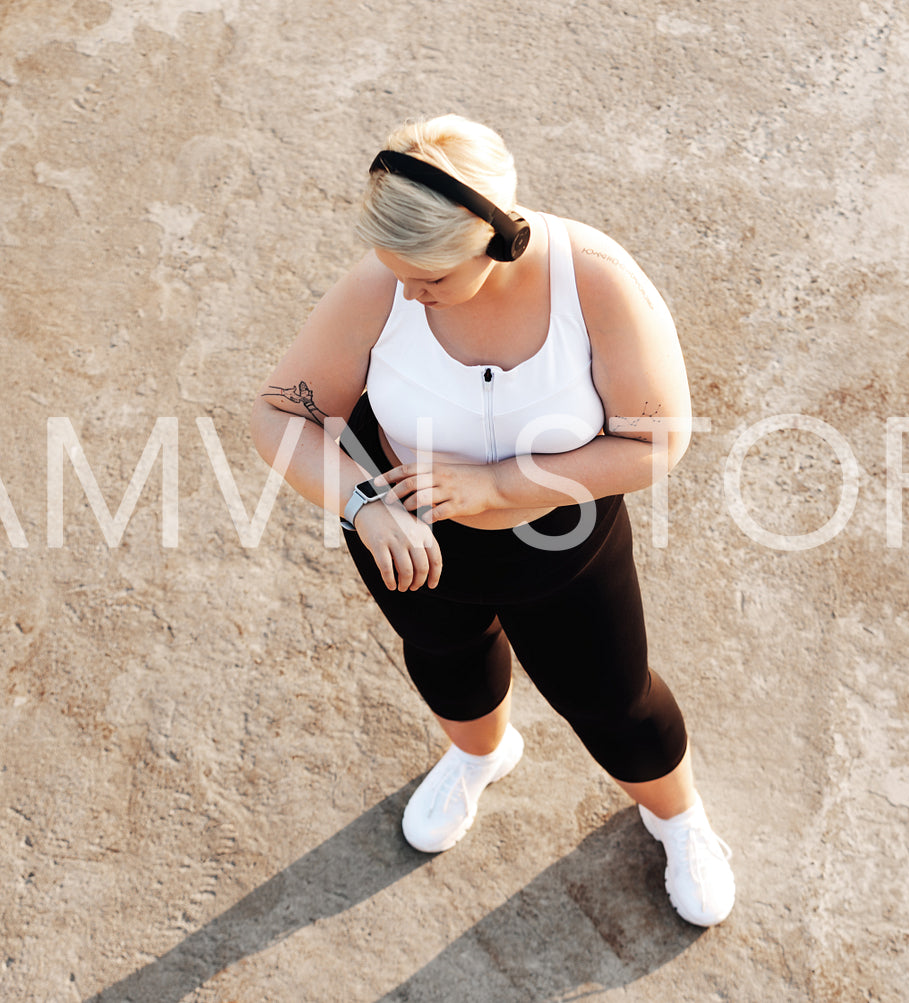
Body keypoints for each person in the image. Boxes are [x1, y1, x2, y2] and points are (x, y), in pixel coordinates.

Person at [248, 114, 734, 927]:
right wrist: (365, 507)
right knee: (444, 657)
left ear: (495, 244)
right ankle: (479, 756)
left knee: (614, 698)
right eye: (396, 272)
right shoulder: (383, 283)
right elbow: (280, 414)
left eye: (429, 280)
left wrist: (500, 482)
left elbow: (657, 443)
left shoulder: (597, 281)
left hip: (559, 547)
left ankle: (677, 818)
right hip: (407, 541)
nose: (407, 293)